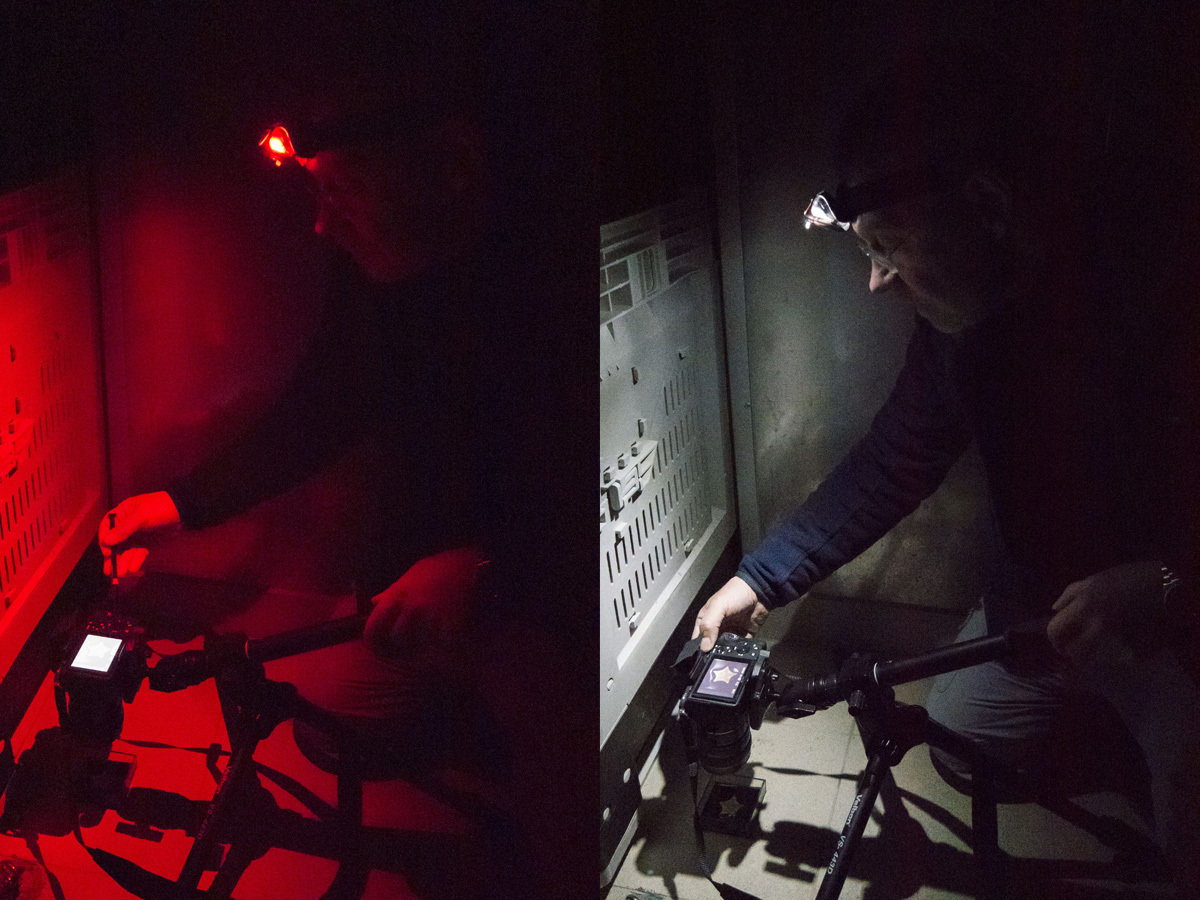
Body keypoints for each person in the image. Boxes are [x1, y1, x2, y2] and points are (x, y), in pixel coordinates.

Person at [95, 4, 595, 896]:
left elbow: (595, 484)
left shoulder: (555, 276)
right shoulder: (379, 275)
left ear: (451, 166)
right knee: (326, 718)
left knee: (539, 722)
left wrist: (486, 569)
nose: (323, 227)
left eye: (341, 195)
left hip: (544, 604)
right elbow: (327, 399)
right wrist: (178, 503)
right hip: (426, 601)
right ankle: (468, 712)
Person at [692, 44, 1200, 890]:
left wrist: (1166, 585)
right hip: (1047, 607)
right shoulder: (964, 324)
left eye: (886, 243)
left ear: (988, 206)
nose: (876, 280)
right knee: (964, 739)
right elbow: (901, 452)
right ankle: (1113, 725)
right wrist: (761, 578)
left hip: (1174, 629)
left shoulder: (1163, 292)